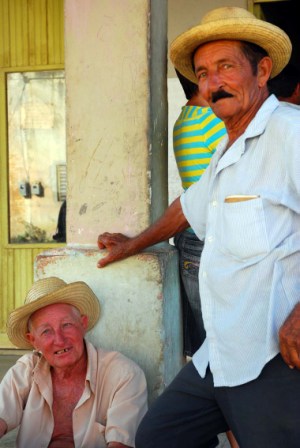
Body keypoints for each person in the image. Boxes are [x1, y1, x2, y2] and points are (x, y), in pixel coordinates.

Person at [97, 6, 300, 447]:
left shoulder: (290, 133)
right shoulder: (226, 146)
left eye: (226, 67)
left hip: (270, 357)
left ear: (262, 71)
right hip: (220, 353)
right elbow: (187, 207)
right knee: (158, 436)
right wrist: (133, 244)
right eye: (204, 73)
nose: (213, 84)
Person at [0, 277, 148, 448]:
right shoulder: (26, 370)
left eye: (66, 325)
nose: (60, 340)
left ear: (82, 324)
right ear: (33, 341)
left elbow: (121, 444)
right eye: (46, 331)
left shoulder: (123, 374)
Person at [172, 69, 227, 358]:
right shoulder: (211, 122)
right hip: (206, 241)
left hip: (192, 238)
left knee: (208, 346)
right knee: (221, 343)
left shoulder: (186, 119)